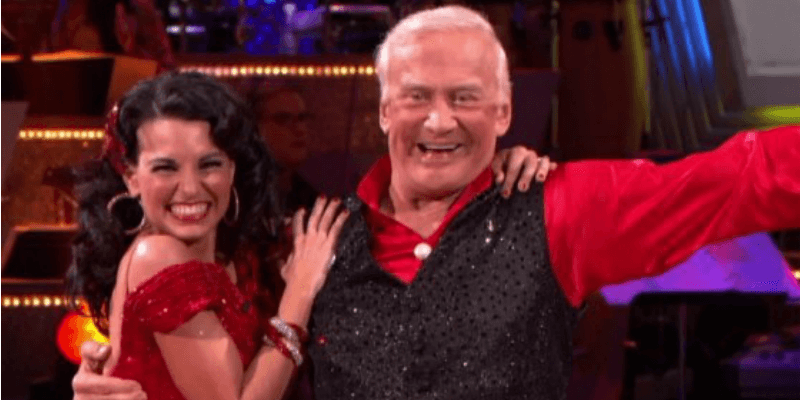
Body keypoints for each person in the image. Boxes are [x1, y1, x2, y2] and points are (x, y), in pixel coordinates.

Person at [73, 5, 800, 400]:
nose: (440, 120)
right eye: (417, 96)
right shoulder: (309, 242)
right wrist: (116, 381)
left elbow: (740, 178)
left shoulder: (558, 208)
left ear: (506, 111)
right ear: (383, 110)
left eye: (466, 98)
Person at [66, 71, 350, 400]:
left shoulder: (234, 259)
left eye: (209, 164)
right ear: (131, 178)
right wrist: (299, 294)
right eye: (165, 168)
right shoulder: (158, 256)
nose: (190, 188)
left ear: (233, 169)